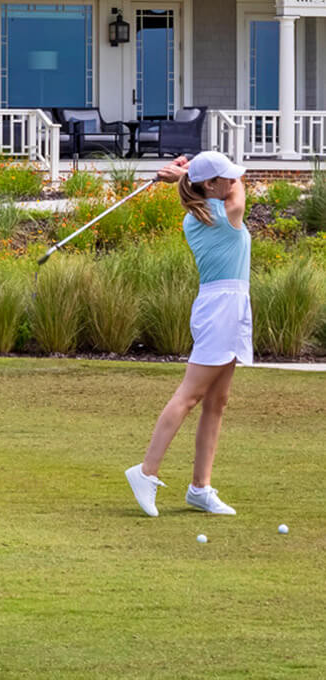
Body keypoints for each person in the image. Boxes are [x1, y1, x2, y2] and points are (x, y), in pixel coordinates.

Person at [125, 149, 251, 519]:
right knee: (190, 396)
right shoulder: (222, 212)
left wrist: (185, 171)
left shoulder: (198, 212)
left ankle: (200, 488)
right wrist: (188, 168)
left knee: (217, 401)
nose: (232, 180)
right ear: (210, 186)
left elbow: (223, 184)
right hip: (220, 310)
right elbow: (239, 192)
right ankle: (146, 471)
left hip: (230, 305)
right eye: (224, 177)